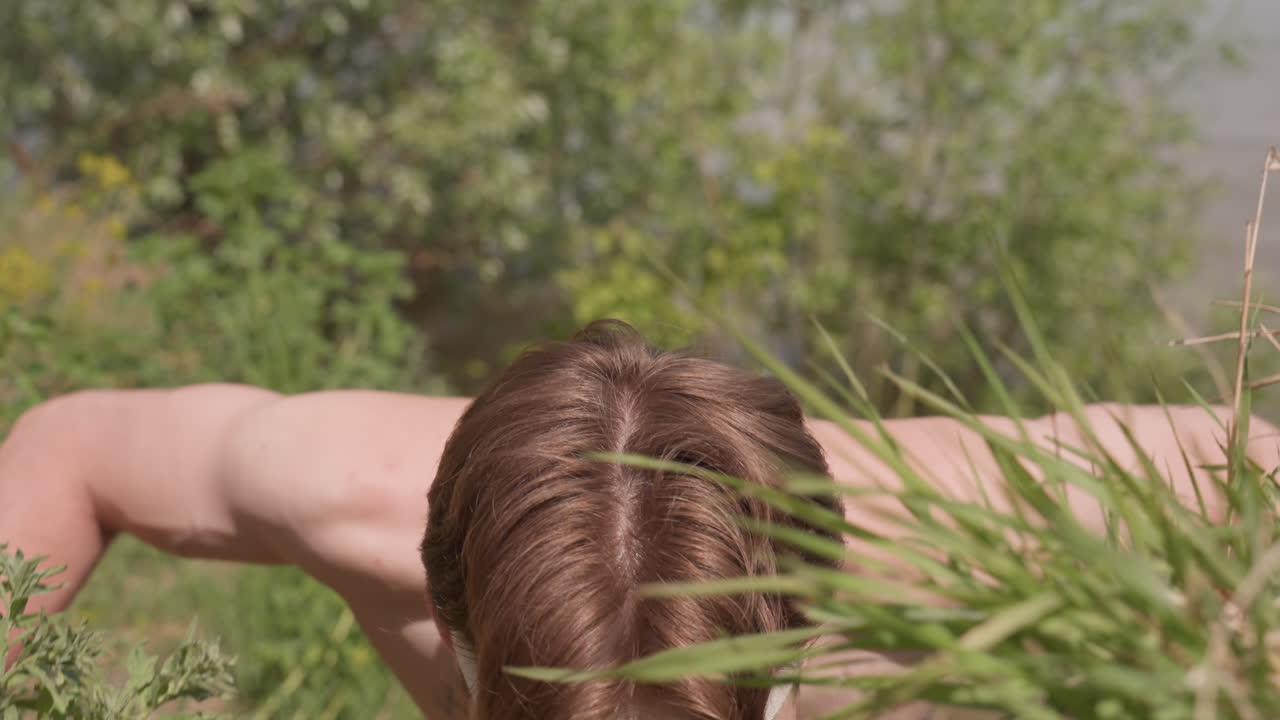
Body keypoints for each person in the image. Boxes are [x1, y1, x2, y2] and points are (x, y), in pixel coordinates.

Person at [1, 320, 1276, 720]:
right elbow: (71, 449)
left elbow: (1238, 463)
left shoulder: (968, 531)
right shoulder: (349, 491)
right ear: (445, 612)